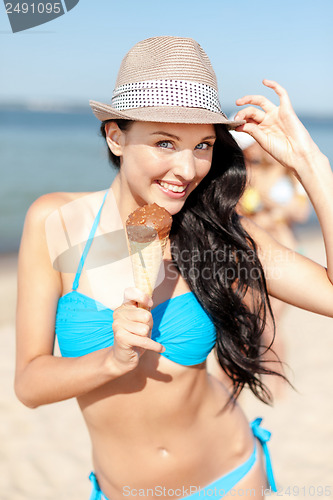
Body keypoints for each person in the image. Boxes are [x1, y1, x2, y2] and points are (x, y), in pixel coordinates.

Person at [15, 36, 333, 500]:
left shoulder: (221, 233)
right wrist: (111, 360)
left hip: (229, 479)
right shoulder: (55, 222)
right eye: (166, 142)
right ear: (116, 136)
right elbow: (29, 384)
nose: (187, 168)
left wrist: (311, 162)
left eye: (203, 145)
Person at [224, 127, 311, 398]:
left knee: (271, 322)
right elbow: (238, 208)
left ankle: (277, 381)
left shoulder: (290, 175)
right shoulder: (251, 174)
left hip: (283, 250)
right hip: (251, 251)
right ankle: (242, 377)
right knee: (247, 318)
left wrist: (271, 206)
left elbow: (301, 211)